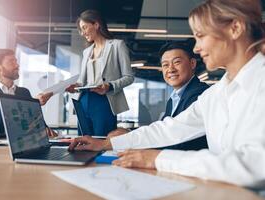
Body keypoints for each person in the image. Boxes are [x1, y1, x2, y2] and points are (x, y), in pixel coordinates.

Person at [69, 0, 265, 187]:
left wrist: (160, 159)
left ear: (235, 28)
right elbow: (169, 129)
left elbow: (254, 165)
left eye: (201, 35)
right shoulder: (216, 93)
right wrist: (106, 143)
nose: (196, 48)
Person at [108, 41, 209, 150]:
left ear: (192, 63)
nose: (170, 69)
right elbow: (164, 131)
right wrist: (129, 134)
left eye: (177, 62)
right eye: (165, 65)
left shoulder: (200, 95)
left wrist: (128, 139)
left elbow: (177, 139)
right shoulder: (174, 98)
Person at [66, 10, 134, 136]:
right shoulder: (86, 51)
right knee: (83, 142)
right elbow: (82, 80)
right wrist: (76, 86)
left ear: (96, 25)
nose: (83, 33)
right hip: (83, 101)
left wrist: (110, 85)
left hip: (104, 101)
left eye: (85, 27)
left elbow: (129, 77)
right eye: (81, 29)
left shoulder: (117, 45)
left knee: (102, 142)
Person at [0, 49, 55, 137]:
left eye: (16, 61)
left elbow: (36, 120)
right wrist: (29, 104)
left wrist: (45, 129)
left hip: (21, 144)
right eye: (11, 62)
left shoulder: (24, 92)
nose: (17, 65)